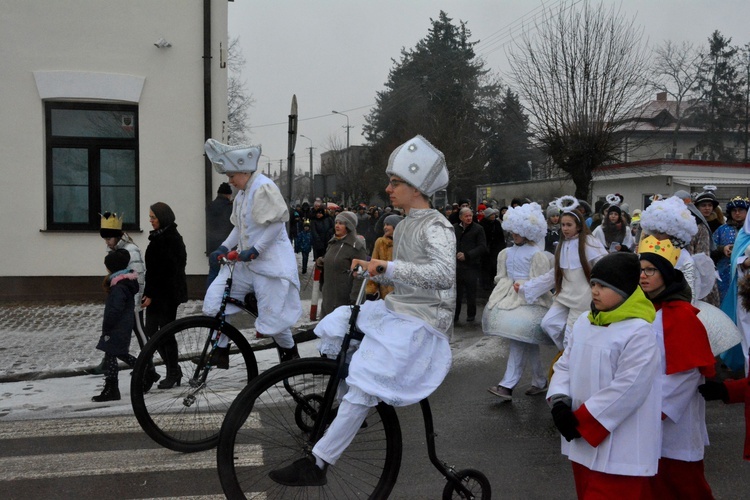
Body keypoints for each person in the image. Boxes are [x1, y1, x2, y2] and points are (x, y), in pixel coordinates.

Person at [269, 134, 455, 486]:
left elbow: (443, 275)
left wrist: (386, 268)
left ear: (416, 188)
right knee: (338, 329)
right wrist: (373, 269)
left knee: (366, 376)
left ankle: (320, 461)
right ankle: (344, 410)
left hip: (422, 323)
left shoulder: (437, 226)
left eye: (395, 182)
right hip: (398, 310)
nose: (388, 188)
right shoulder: (407, 223)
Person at [547, 252, 661, 499]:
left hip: (622, 447)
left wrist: (583, 421)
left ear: (625, 291)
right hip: (581, 444)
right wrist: (559, 402)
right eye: (593, 285)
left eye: (604, 286)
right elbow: (564, 365)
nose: (595, 292)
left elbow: (630, 387)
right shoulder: (584, 323)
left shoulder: (639, 331)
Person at [203, 139, 303, 363]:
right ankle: (220, 350)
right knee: (217, 299)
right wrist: (224, 247)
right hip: (246, 263)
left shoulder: (263, 187)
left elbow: (277, 224)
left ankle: (290, 354)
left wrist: (256, 250)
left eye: (231, 176)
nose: (229, 181)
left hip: (270, 264)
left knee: (272, 317)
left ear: (244, 171)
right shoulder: (241, 194)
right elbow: (240, 228)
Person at [638, 235, 716, 498]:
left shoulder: (682, 315)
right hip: (642, 410)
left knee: (684, 486)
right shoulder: (640, 310)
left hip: (673, 417)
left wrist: (654, 410)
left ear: (667, 274)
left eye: (651, 270)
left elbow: (688, 374)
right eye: (640, 269)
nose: (643, 276)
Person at [483, 202, 553, 401]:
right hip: (509, 297)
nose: (514, 234)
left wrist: (525, 287)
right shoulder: (505, 253)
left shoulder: (537, 255)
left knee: (519, 341)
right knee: (527, 341)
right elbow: (502, 277)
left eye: (519, 231)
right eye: (512, 230)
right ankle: (540, 381)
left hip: (528, 300)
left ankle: (507, 385)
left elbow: (540, 282)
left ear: (529, 232)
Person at [520, 196, 607, 351]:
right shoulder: (562, 244)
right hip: (564, 295)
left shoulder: (589, 242)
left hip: (582, 298)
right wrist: (528, 287)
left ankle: (571, 362)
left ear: (579, 226)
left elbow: (603, 266)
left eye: (569, 225)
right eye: (563, 225)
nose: (565, 228)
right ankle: (567, 355)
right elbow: (555, 274)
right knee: (548, 323)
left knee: (570, 337)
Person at [93, 249, 158, 401]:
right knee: (118, 353)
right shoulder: (124, 283)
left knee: (111, 355)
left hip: (117, 326)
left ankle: (113, 389)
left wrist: (108, 325)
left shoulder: (119, 287)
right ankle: (147, 372)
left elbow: (115, 309)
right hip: (122, 325)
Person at [87, 212, 147, 376]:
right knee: (112, 331)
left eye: (108, 239)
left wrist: (135, 303)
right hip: (122, 299)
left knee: (140, 333)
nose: (106, 242)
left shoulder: (131, 251)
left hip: (132, 301)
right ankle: (107, 362)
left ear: (117, 236)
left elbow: (139, 277)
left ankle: (148, 366)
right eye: (105, 239)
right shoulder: (115, 249)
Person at [141, 202, 188, 389]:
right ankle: (173, 368)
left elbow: (166, 271)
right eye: (150, 217)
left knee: (166, 333)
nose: (150, 220)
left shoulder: (171, 238)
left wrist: (151, 294)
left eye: (153, 217)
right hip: (158, 293)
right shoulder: (159, 236)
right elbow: (153, 271)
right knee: (152, 331)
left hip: (168, 294)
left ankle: (172, 372)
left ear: (163, 217)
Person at [317, 211, 368, 319]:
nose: (337, 225)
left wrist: (355, 299)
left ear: (349, 226)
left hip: (344, 300)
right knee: (326, 330)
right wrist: (323, 262)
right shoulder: (333, 242)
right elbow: (336, 261)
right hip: (328, 297)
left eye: (341, 223)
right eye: (336, 222)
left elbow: (360, 276)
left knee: (338, 331)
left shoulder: (356, 247)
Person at [453, 206, 487, 323]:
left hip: (471, 266)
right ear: (461, 217)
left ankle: (471, 316)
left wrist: (467, 255)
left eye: (470, 216)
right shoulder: (455, 228)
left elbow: (482, 247)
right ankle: (455, 316)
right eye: (466, 216)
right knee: (456, 293)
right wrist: (456, 254)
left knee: (471, 292)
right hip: (457, 266)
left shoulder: (478, 229)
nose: (469, 218)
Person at [713, 196, 749, 302]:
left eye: (741, 210)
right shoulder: (721, 230)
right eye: (734, 210)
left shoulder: (748, 231)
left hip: (745, 274)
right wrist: (722, 249)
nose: (737, 213)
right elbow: (711, 249)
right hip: (724, 274)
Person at [365, 213, 402, 300]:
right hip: (384, 294)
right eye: (384, 225)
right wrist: (371, 289)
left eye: (388, 224)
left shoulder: (405, 244)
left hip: (402, 293)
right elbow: (372, 267)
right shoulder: (380, 242)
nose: (385, 227)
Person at [205, 182, 234, 288]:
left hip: (212, 245)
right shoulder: (230, 207)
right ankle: (223, 295)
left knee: (213, 272)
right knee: (228, 273)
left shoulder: (210, 206)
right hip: (225, 246)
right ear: (228, 194)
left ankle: (209, 294)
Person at [480, 208, 505, 290]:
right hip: (485, 249)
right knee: (485, 267)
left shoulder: (497, 223)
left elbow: (500, 236)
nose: (493, 216)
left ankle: (492, 282)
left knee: (494, 266)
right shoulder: (482, 224)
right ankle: (485, 284)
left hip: (495, 248)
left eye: (494, 214)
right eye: (491, 215)